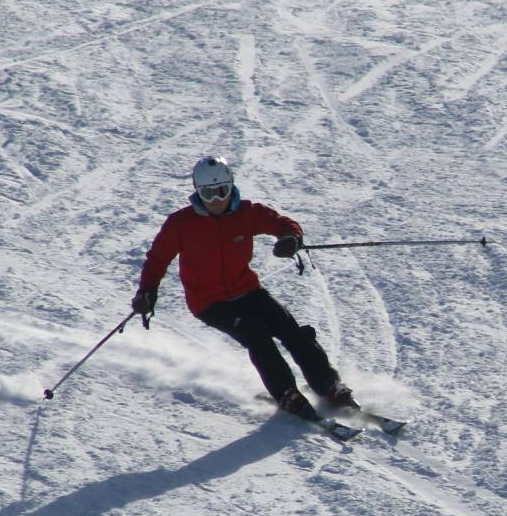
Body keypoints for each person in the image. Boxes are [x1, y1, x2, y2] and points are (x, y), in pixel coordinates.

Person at [131, 156, 359, 422]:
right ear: (196, 192)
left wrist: (290, 239)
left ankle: (329, 385)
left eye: (222, 191)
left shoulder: (247, 213)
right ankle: (286, 393)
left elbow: (283, 223)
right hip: (210, 302)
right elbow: (157, 260)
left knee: (292, 331)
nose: (216, 200)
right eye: (208, 193)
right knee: (257, 334)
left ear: (231, 187)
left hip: (248, 290)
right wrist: (146, 292)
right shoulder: (181, 224)